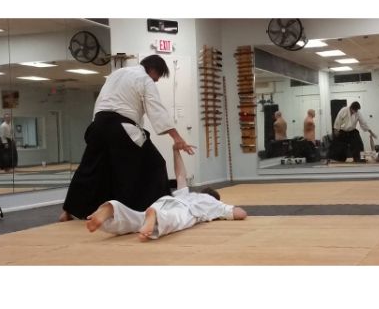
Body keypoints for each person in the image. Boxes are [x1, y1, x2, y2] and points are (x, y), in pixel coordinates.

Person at [59, 55, 195, 222]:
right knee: (155, 163)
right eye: (158, 76)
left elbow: (102, 101)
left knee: (91, 168)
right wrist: (177, 138)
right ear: (153, 69)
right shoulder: (144, 79)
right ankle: (158, 209)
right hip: (121, 127)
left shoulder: (116, 74)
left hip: (98, 125)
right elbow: (156, 110)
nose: (157, 80)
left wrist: (99, 126)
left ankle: (69, 211)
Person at [86, 145, 247, 240]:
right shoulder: (214, 204)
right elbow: (240, 214)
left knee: (137, 220)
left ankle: (114, 208)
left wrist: (175, 151)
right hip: (184, 211)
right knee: (173, 220)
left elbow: (180, 175)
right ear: (215, 198)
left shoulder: (188, 194)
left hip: (165, 201)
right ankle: (154, 215)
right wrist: (224, 211)